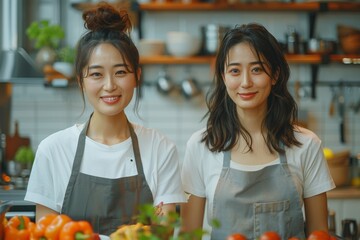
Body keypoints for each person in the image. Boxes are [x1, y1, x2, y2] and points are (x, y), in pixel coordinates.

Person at [25, 2, 186, 236]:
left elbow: (163, 233)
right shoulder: (53, 150)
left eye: (120, 72)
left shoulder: (161, 149)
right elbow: (46, 234)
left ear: (137, 76)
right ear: (81, 80)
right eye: (97, 74)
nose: (109, 86)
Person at [180, 23, 335, 240]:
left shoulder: (307, 144)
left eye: (257, 69)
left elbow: (319, 234)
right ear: (224, 78)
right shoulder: (200, 146)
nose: (245, 82)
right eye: (235, 70)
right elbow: (189, 236)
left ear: (275, 75)